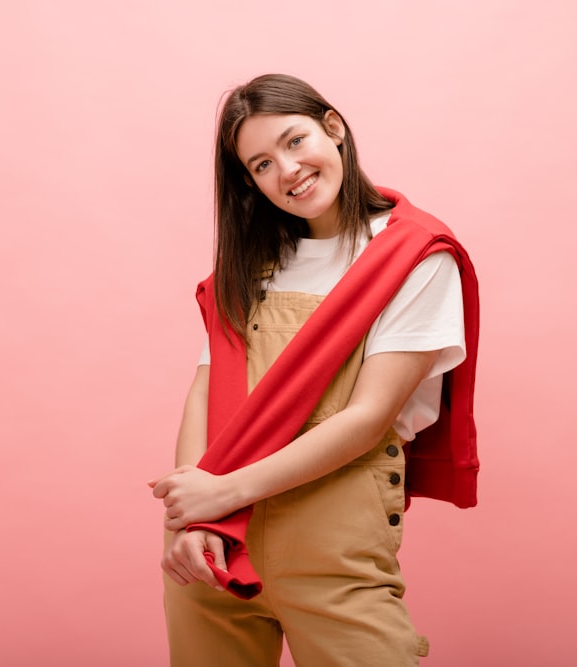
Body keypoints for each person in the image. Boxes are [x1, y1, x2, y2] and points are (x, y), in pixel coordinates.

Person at [148, 73, 479, 667]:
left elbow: (369, 417)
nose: (288, 170)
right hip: (216, 545)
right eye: (262, 164)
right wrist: (188, 517)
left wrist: (222, 491)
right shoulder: (254, 264)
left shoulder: (416, 256)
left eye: (295, 141)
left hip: (332, 549)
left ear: (334, 128)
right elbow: (206, 392)